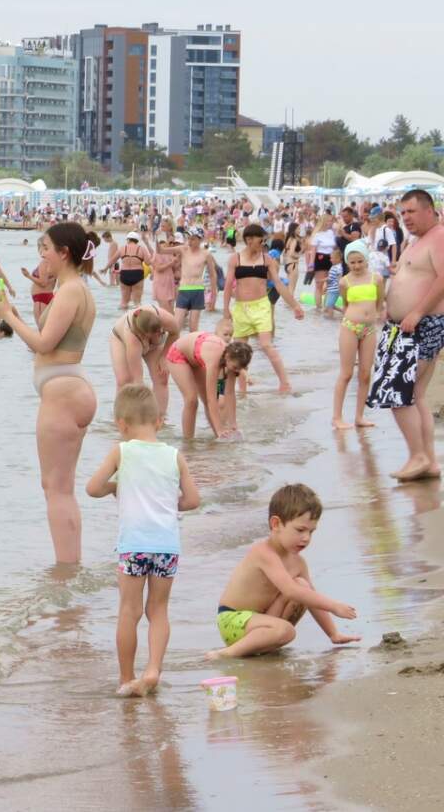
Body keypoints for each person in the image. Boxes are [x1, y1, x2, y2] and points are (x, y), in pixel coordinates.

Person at [86, 384, 199, 696]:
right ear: (159, 421)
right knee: (158, 610)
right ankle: (153, 670)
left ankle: (126, 680)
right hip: (166, 546)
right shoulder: (175, 456)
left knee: (129, 611)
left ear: (121, 424)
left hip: (134, 545)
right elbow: (192, 500)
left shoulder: (121, 451)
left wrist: (114, 488)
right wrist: (165, 502)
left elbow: (92, 488)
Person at [0, 222, 96, 563]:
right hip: (69, 388)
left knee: (57, 489)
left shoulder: (70, 290)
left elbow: (43, 343)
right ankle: (71, 564)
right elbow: (49, 339)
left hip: (64, 392)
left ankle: (66, 570)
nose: (42, 256)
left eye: (46, 249)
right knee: (59, 488)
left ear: (64, 253)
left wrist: (8, 315)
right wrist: (18, 318)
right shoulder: (74, 288)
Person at [206, 484, 359, 660]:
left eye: (311, 531)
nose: (306, 538)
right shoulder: (263, 553)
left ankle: (265, 646)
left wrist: (333, 634)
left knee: (303, 586)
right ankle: (226, 654)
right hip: (234, 621)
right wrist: (334, 606)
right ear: (276, 524)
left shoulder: (298, 563)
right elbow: (290, 591)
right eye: (300, 530)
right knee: (287, 627)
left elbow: (309, 596)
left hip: (264, 619)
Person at [368, 189, 444, 481]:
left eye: (411, 212)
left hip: (421, 325)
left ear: (429, 210)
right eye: (403, 213)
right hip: (401, 328)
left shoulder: (438, 236)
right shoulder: (416, 240)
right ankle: (428, 460)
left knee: (399, 393)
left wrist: (417, 312)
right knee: (417, 395)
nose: (406, 218)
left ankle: (418, 456)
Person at [222, 224, 304, 394]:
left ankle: (284, 384)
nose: (263, 244)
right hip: (241, 308)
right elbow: (228, 285)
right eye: (261, 240)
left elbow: (279, 284)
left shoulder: (267, 260)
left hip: (261, 306)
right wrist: (225, 310)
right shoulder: (235, 259)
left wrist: (295, 305)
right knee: (239, 351)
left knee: (266, 345)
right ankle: (242, 391)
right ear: (249, 239)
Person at [332, 243, 383, 430]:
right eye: (352, 262)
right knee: (346, 373)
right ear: (347, 262)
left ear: (366, 260)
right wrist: (355, 318)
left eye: (360, 261)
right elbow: (345, 304)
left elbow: (379, 302)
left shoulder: (376, 279)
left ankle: (359, 416)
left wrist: (374, 317)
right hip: (350, 327)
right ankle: (337, 417)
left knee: (365, 374)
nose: (356, 266)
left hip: (369, 329)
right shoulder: (344, 281)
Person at [165, 332, 251, 440]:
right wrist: (220, 429)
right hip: (178, 354)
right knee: (192, 400)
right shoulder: (215, 359)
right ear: (228, 357)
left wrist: (233, 424)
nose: (237, 371)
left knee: (210, 399)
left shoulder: (232, 362)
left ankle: (218, 436)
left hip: (196, 359)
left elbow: (230, 393)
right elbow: (212, 400)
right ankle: (188, 442)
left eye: (240, 368)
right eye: (235, 367)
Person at [109, 305, 179, 420]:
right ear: (144, 335)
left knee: (161, 377)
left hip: (154, 345)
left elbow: (175, 334)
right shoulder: (132, 338)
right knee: (125, 380)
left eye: (161, 333)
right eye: (156, 335)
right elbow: (138, 381)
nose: (160, 336)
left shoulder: (166, 319)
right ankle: (122, 419)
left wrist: (163, 357)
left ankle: (159, 419)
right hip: (120, 339)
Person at [173, 228, 216, 332]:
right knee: (177, 325)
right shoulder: (183, 251)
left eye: (192, 239)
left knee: (193, 327)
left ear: (200, 240)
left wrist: (213, 295)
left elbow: (212, 274)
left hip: (197, 290)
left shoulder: (206, 254)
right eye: (188, 239)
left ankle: (192, 346)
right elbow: (162, 251)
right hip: (183, 289)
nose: (189, 241)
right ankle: (175, 346)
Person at [106, 231, 150, 309]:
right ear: (137, 240)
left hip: (124, 274)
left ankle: (123, 319)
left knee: (124, 302)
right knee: (137, 302)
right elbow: (148, 262)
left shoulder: (122, 248)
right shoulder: (142, 249)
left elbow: (112, 261)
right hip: (137, 273)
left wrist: (104, 269)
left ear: (128, 240)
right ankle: (135, 319)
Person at [308, 215, 337, 311]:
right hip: (320, 258)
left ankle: (326, 307)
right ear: (324, 222)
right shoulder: (317, 234)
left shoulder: (331, 233)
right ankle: (318, 307)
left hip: (331, 259)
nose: (331, 223)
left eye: (331, 221)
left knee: (330, 284)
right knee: (319, 285)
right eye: (329, 221)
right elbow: (313, 251)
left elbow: (334, 247)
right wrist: (311, 264)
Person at [323, 250, 344, 320]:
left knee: (329, 305)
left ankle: (330, 318)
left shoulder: (338, 267)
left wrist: (340, 289)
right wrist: (324, 281)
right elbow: (331, 278)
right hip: (331, 289)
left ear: (338, 259)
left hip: (335, 289)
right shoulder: (334, 266)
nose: (330, 260)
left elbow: (339, 279)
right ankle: (343, 311)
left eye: (332, 258)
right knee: (328, 304)